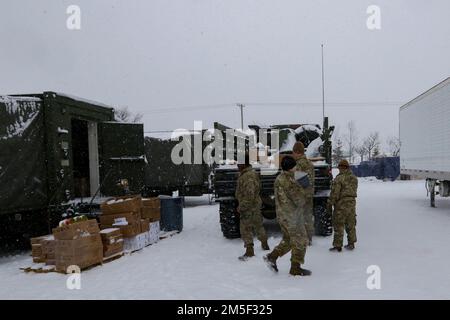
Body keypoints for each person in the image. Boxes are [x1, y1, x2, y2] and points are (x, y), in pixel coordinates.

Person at [264, 156, 311, 276]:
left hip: (283, 216)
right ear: (291, 167)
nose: (296, 168)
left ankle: (272, 257)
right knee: (301, 240)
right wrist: (305, 188)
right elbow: (299, 200)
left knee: (289, 240)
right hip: (292, 217)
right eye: (294, 166)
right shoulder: (290, 181)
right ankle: (295, 268)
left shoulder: (280, 178)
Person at [235, 159, 269, 261]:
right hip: (255, 205)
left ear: (244, 164)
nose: (237, 165)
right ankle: (264, 244)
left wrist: (242, 207)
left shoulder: (247, 176)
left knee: (245, 228)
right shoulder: (252, 174)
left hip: (248, 206)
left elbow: (250, 194)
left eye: (239, 163)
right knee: (258, 225)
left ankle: (249, 251)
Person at [328, 159, 358, 252]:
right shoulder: (354, 178)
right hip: (352, 203)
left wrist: (330, 203)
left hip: (341, 204)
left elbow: (335, 193)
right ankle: (351, 243)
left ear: (341, 167)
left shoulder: (339, 178)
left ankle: (338, 246)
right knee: (351, 224)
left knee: (338, 224)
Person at [292, 141, 315, 245]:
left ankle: (303, 238)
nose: (292, 154)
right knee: (308, 215)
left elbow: (297, 181)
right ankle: (309, 238)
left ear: (297, 152)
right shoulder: (309, 163)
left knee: (300, 217)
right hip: (309, 193)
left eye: (293, 152)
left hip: (301, 195)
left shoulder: (298, 164)